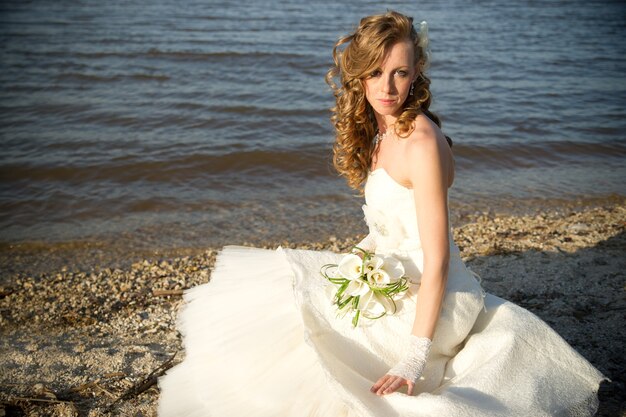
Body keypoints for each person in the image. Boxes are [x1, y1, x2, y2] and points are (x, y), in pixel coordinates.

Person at [158, 11, 605, 416]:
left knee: (309, 348)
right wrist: (359, 258)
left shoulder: (423, 142)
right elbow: (393, 226)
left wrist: (414, 356)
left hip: (437, 299)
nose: (387, 88)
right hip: (393, 274)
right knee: (287, 294)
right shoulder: (385, 127)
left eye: (400, 73)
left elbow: (438, 260)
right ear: (359, 76)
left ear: (417, 74)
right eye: (375, 72)